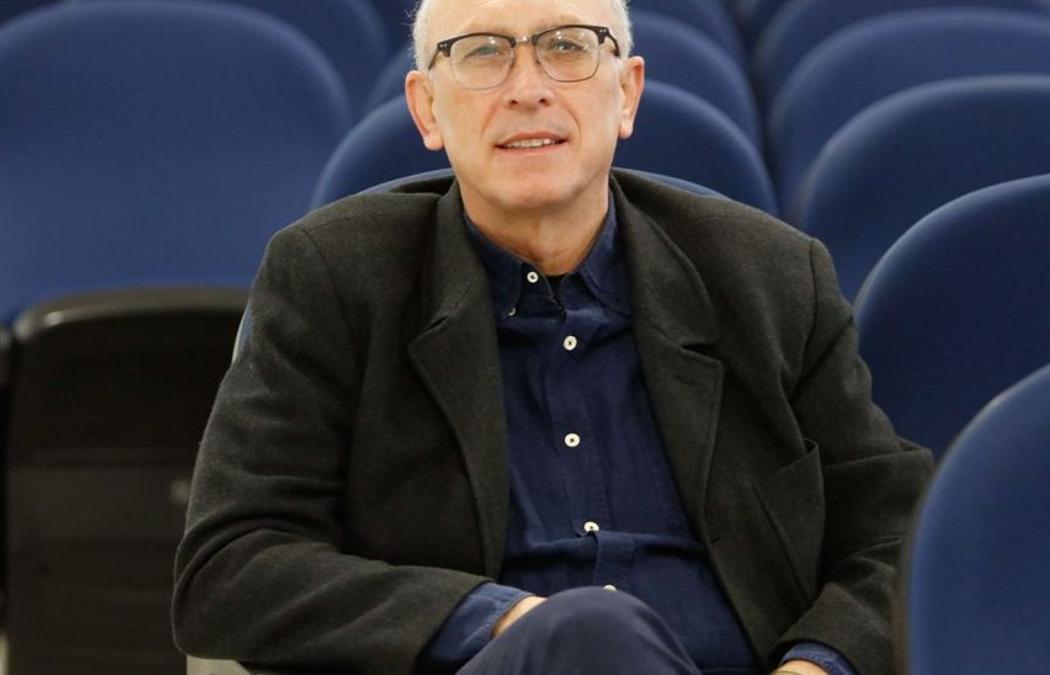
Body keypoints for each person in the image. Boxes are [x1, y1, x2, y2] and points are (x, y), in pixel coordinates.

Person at [171, 0, 932, 672]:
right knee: (590, 634)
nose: (527, 87)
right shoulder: (335, 279)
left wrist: (821, 663)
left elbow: (898, 532)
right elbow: (230, 566)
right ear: (427, 109)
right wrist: (503, 620)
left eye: (567, 47)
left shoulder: (768, 276)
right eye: (481, 54)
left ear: (626, 92)